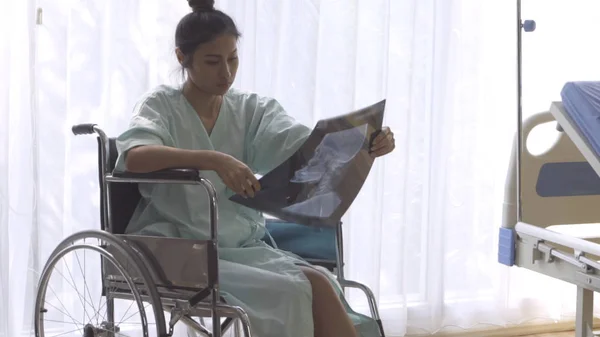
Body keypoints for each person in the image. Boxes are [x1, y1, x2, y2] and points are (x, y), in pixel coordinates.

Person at [114, 0, 396, 336]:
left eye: (233, 58)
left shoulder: (250, 109)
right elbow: (135, 156)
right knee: (292, 293)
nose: (226, 73)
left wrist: (366, 143)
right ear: (182, 58)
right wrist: (212, 159)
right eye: (213, 61)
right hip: (180, 248)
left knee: (323, 282)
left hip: (241, 245)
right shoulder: (159, 104)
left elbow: (307, 148)